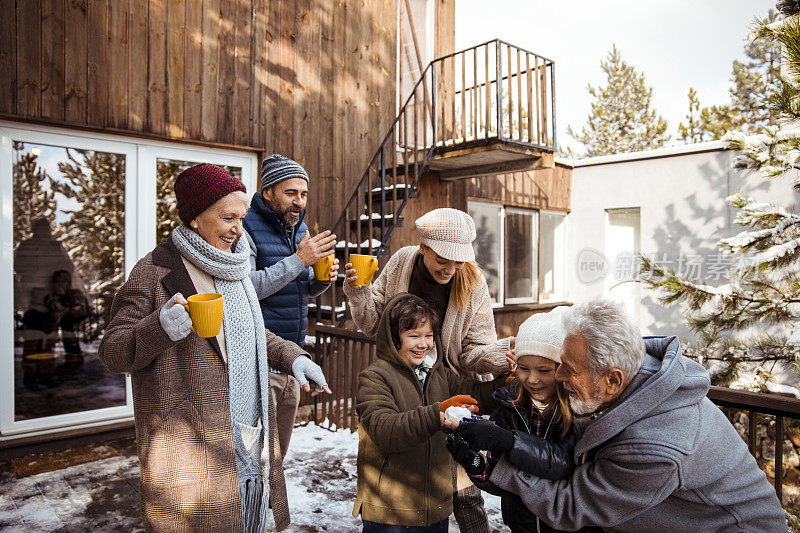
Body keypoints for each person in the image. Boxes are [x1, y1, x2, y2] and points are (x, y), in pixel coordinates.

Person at [99, 163, 331, 532]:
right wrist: (158, 327)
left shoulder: (237, 268)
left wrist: (293, 357)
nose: (238, 229)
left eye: (241, 217)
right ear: (195, 217)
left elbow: (250, 334)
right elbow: (112, 351)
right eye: (228, 218)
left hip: (248, 437)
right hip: (193, 445)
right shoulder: (155, 271)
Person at [459, 298, 786, 532]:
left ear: (612, 379)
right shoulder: (628, 369)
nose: (557, 379)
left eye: (567, 370)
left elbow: (573, 505)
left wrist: (498, 467)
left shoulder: (656, 445)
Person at [343, 207, 513, 533]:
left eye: (458, 261)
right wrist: (358, 291)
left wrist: (504, 354)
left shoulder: (473, 282)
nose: (451, 269)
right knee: (406, 466)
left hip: (449, 383)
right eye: (442, 260)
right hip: (404, 382)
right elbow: (373, 323)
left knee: (463, 487)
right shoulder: (403, 261)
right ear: (423, 248)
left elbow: (474, 352)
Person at [353, 293, 508, 532]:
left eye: (428, 336)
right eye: (413, 336)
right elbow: (385, 430)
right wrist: (437, 413)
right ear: (395, 338)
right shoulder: (375, 377)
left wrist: (507, 382)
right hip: (390, 510)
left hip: (435, 506)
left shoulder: (439, 373)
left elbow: (475, 394)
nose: (423, 344)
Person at [243, 154, 339, 494]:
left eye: (303, 194)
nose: (299, 202)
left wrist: (324, 278)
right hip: (257, 358)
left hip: (293, 356)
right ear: (268, 192)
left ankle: (269, 503)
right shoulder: (246, 227)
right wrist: (300, 259)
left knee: (279, 449)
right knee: (253, 451)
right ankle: (245, 506)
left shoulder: (300, 229)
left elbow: (302, 284)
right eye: (291, 193)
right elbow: (247, 289)